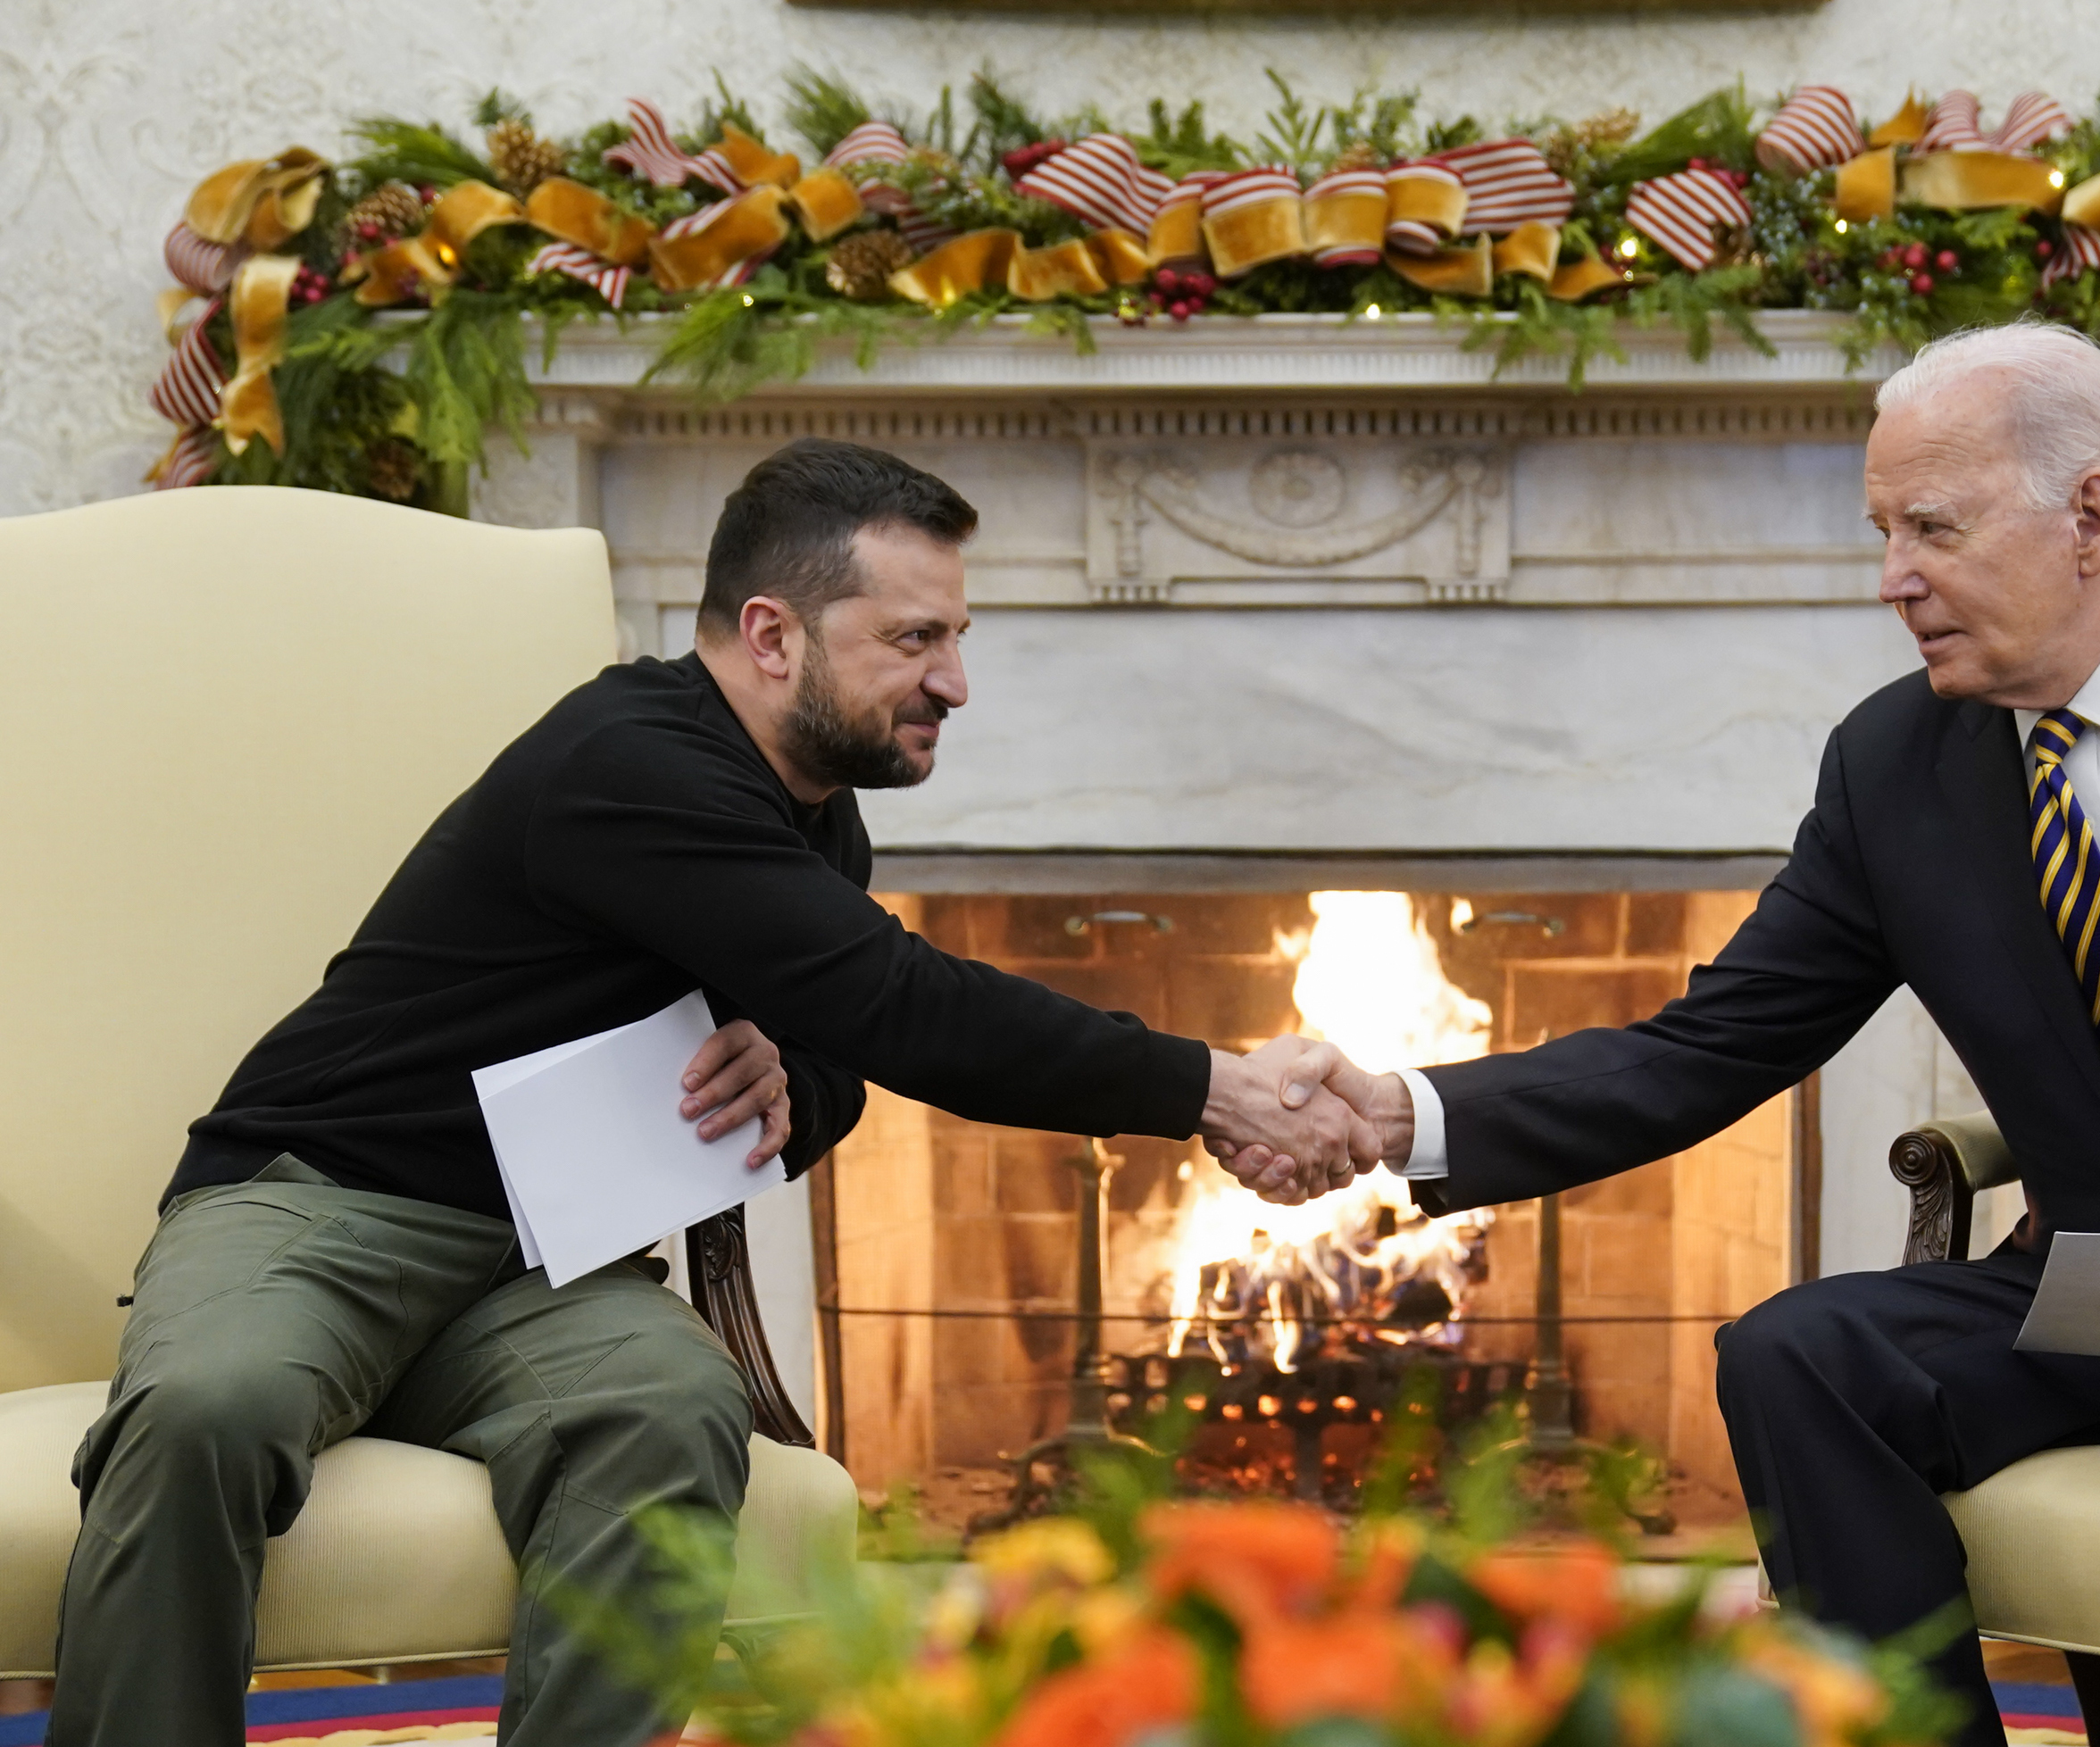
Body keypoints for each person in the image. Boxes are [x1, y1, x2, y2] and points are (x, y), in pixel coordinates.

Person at [1236, 324, 2100, 1746]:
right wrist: (1393, 1114)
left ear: (2088, 518)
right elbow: (1708, 1045)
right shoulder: (1896, 764)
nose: (1893, 576)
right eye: (1881, 530)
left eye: (1933, 527)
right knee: (1796, 1355)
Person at [47, 437, 1375, 1747]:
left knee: (672, 1407)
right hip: (318, 1211)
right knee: (207, 1410)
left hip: (533, 1269)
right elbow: (901, 1008)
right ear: (773, 634)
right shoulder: (632, 764)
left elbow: (840, 1050)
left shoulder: (809, 807)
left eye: (958, 638)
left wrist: (791, 1080)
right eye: (915, 640)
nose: (956, 682)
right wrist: (1214, 1088)